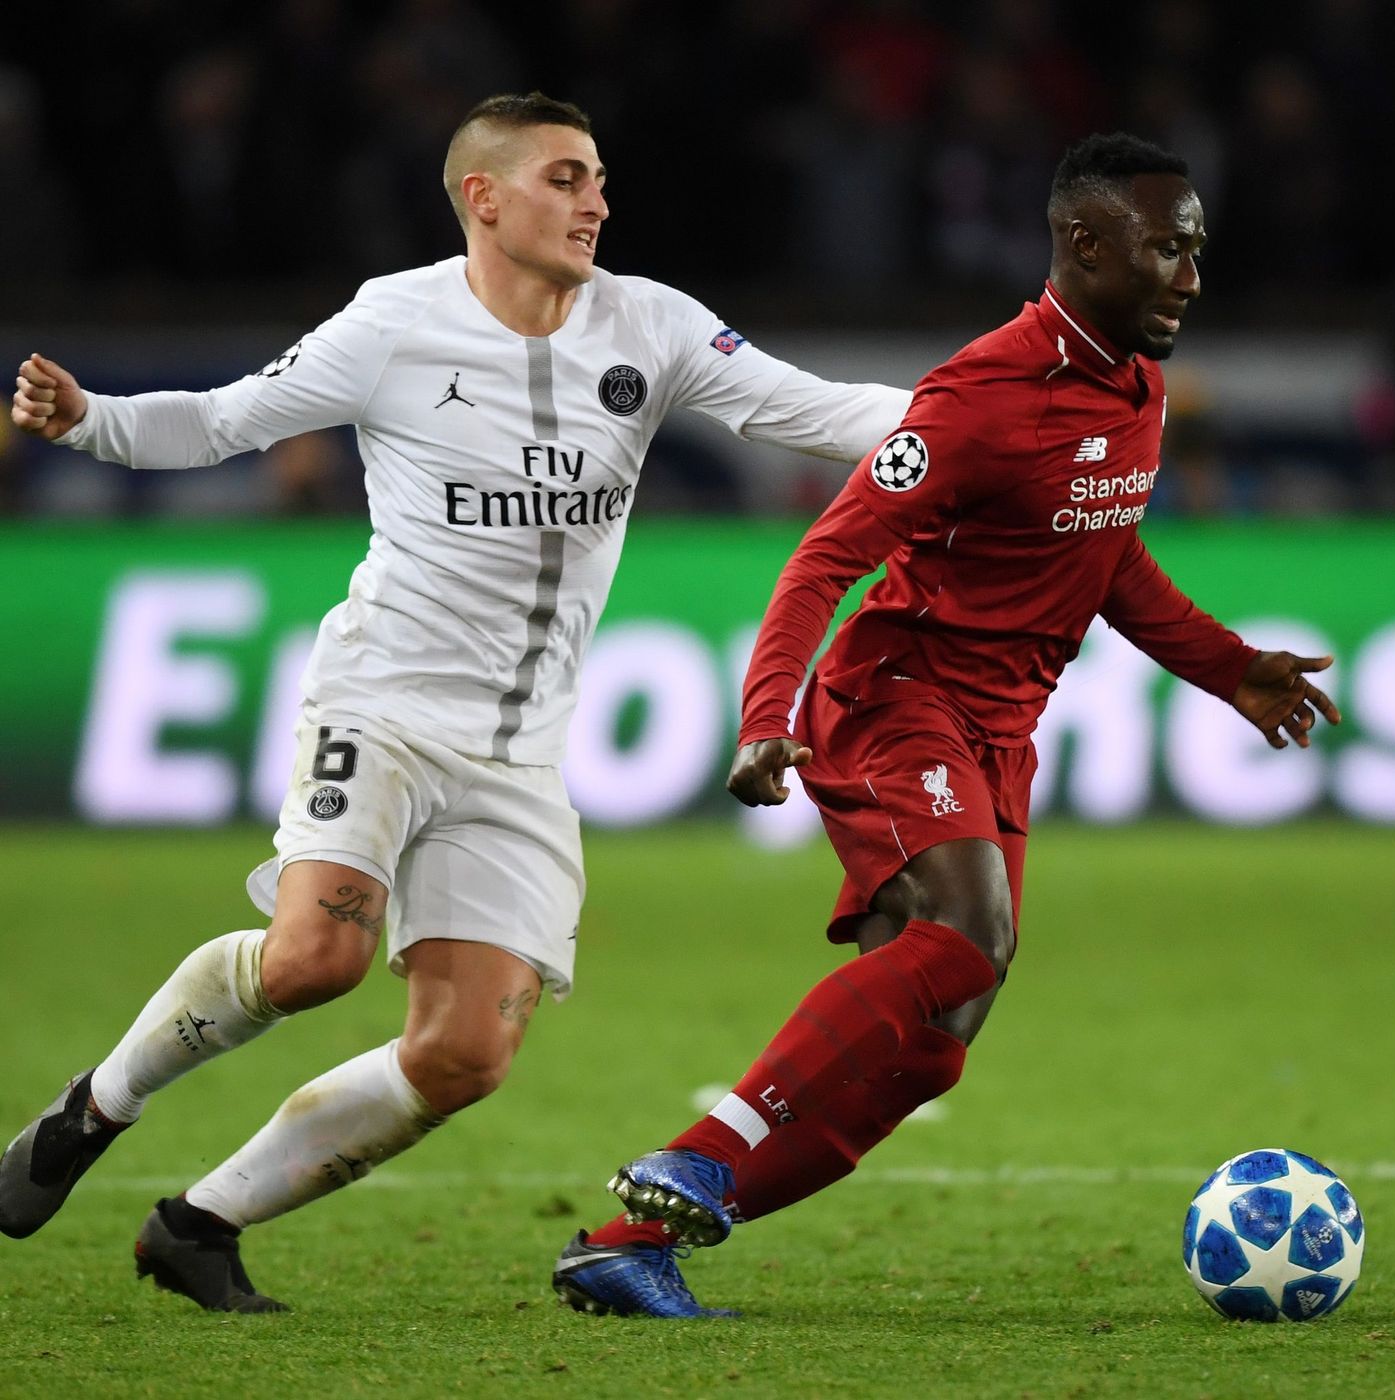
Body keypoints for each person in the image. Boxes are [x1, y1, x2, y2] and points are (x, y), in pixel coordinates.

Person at [0, 91, 911, 1314]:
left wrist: (986, 420)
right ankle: (92, 1110)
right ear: (482, 196)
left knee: (465, 1052)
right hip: (381, 702)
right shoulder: (394, 323)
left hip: (520, 750)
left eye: (598, 179)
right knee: (315, 957)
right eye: (565, 178)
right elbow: (222, 420)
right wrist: (88, 421)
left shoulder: (650, 323)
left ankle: (198, 1223)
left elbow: (822, 408)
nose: (596, 202)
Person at [553, 131, 1342, 1317]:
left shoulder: (1137, 385)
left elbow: (1105, 553)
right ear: (1082, 243)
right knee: (967, 932)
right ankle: (704, 1154)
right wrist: (765, 715)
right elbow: (824, 560)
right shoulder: (979, 398)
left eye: (1193, 249)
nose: (1188, 276)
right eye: (1165, 249)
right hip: (896, 699)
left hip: (998, 734)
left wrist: (1227, 668)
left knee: (930, 1044)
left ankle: (626, 1244)